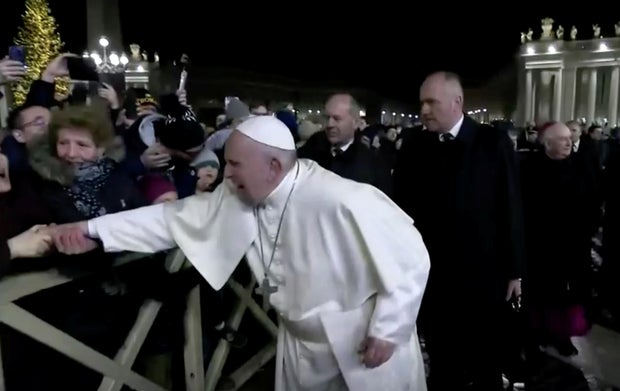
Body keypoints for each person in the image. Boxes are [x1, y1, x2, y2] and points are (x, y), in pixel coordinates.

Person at [51, 115, 430, 390]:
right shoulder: (240, 193)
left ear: (273, 166)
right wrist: (92, 230)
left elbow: (411, 257)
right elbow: (171, 219)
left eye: (234, 164)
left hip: (362, 343)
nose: (226, 174)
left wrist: (388, 330)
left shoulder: (344, 198)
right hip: (299, 344)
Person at [393, 71, 526, 390]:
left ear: (457, 102)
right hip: (433, 278)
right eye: (421, 102)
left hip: (483, 278)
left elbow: (511, 204)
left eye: (431, 102)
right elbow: (400, 208)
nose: (424, 110)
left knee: (485, 363)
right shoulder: (414, 145)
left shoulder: (492, 142)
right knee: (443, 361)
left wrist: (515, 271)